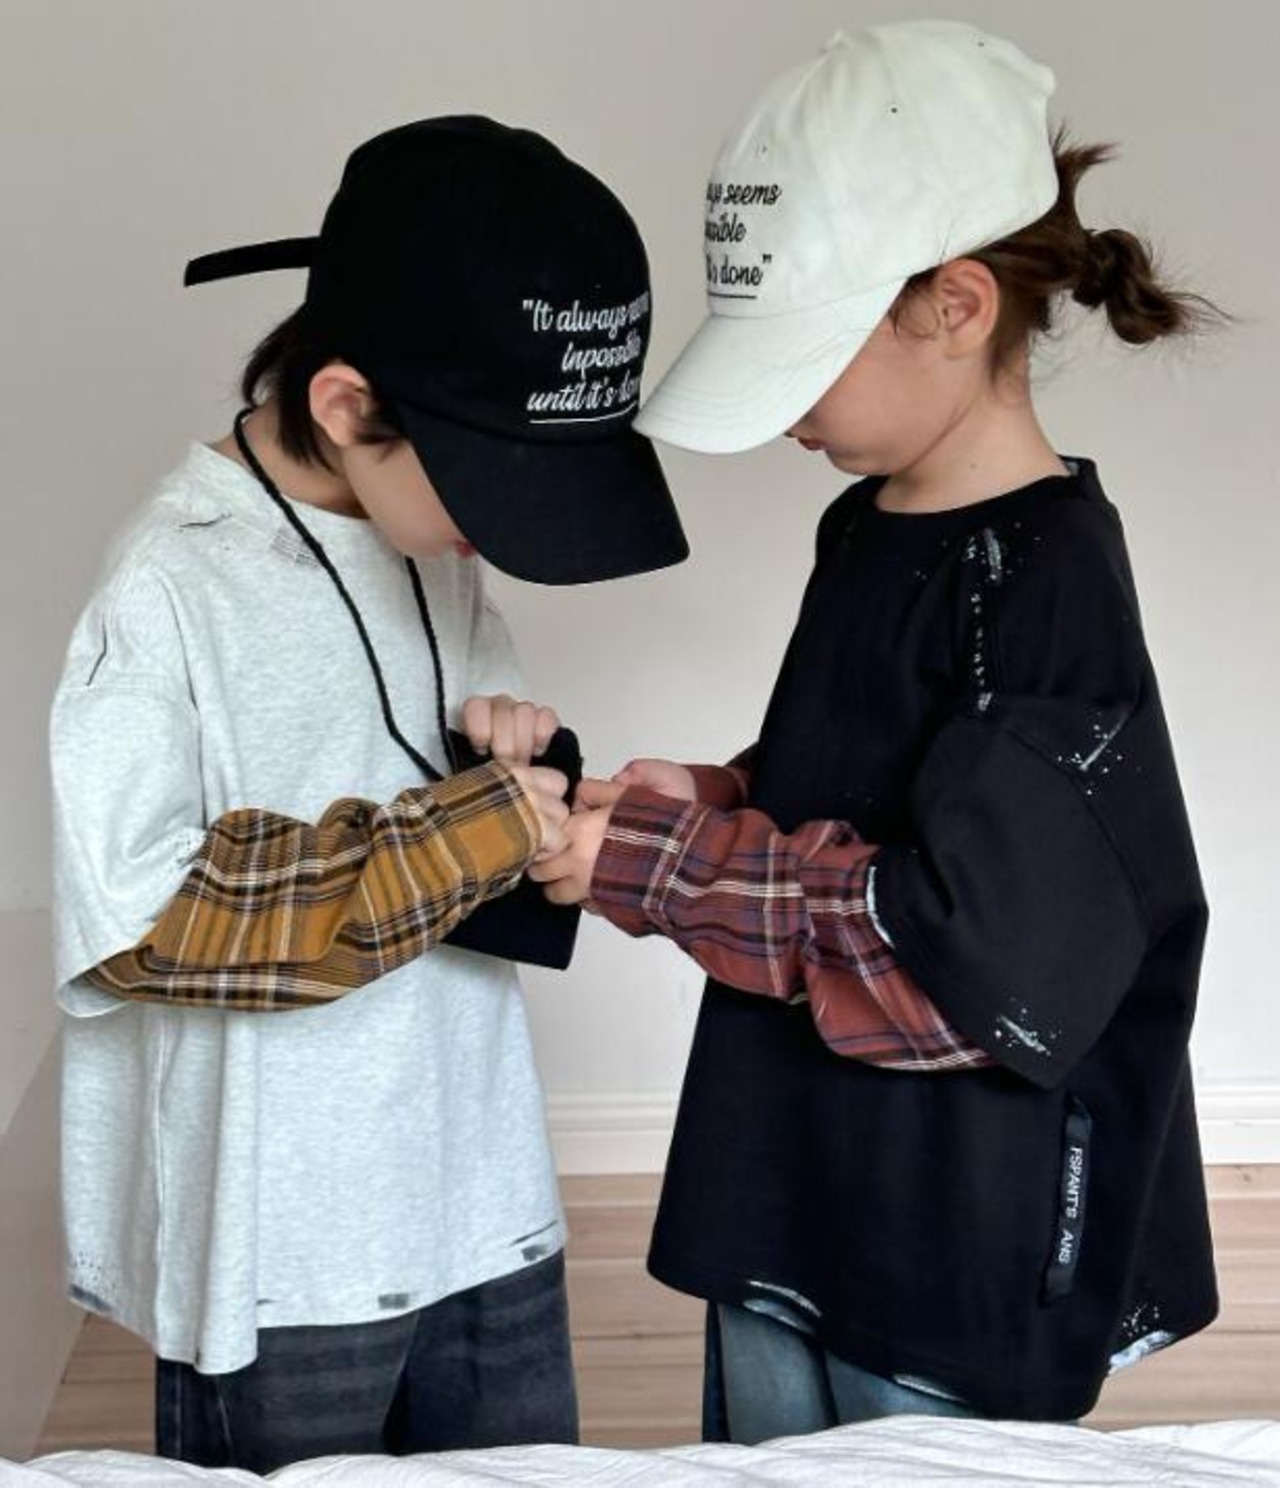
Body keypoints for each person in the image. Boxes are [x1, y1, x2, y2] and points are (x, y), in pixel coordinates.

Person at [529, 21, 1221, 1440]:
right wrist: (717, 792)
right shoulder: (867, 525)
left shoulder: (1051, 588)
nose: (781, 405)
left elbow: (961, 956)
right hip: (798, 1179)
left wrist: (658, 864)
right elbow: (887, 773)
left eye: (802, 352)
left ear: (956, 306)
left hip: (945, 1238)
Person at [49, 115, 687, 1472]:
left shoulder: (429, 542)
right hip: (284, 1250)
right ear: (345, 406)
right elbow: (143, 920)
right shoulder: (170, 583)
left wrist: (525, 768)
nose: (498, 529)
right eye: (493, 486)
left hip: (482, 1193)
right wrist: (476, 822)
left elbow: (464, 804)